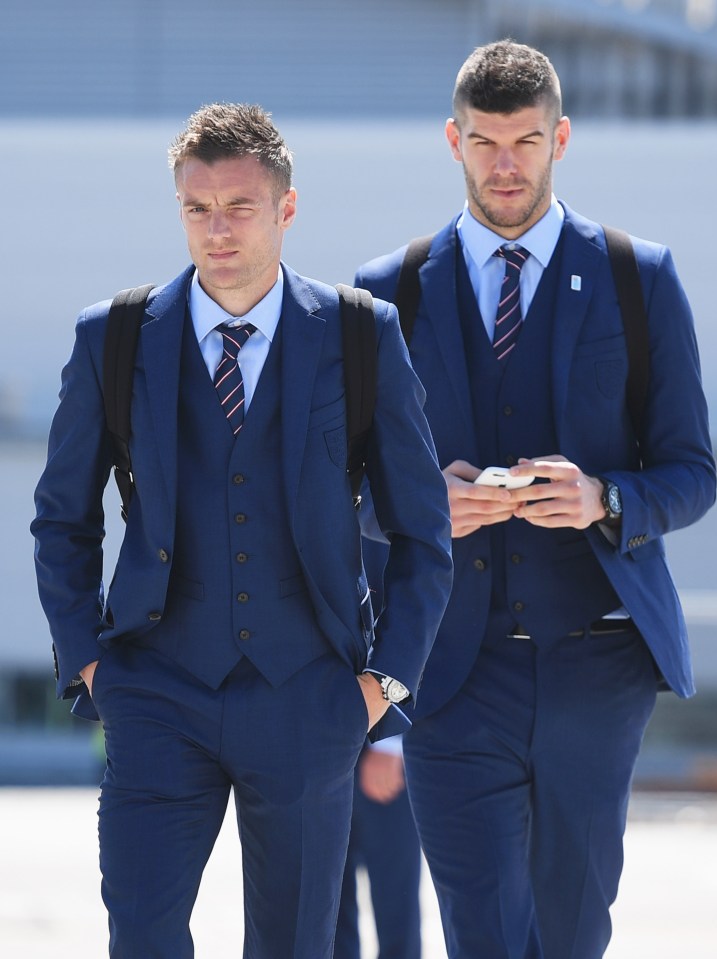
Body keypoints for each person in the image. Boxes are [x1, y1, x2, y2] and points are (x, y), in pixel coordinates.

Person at [31, 102, 452, 959]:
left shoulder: (360, 336)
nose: (216, 230)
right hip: (153, 692)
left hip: (311, 697)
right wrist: (91, 662)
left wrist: (384, 687)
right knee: (142, 936)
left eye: (239, 207)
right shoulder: (112, 338)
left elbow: (423, 531)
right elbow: (61, 518)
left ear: (286, 208)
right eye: (197, 209)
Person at [355, 40, 716, 959]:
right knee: (480, 934)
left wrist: (603, 497)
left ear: (560, 137)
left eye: (524, 141)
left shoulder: (642, 279)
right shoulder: (382, 296)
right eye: (484, 142)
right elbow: (335, 490)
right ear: (453, 140)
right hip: (448, 672)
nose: (505, 164)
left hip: (598, 665)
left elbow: (690, 473)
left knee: (570, 932)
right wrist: (417, 504)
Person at [334, 737, 422, 959]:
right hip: (318, 741)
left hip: (380, 737)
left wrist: (389, 743)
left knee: (395, 896)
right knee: (327, 902)